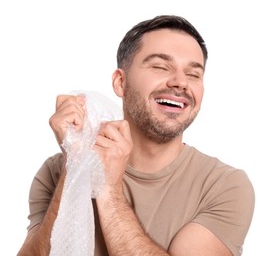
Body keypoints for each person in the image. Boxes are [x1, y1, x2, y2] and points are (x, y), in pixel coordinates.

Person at [17, 15, 255, 256]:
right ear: (121, 82)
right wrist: (76, 165)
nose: (181, 82)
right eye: (161, 67)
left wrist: (108, 189)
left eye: (194, 74)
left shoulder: (224, 186)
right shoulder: (55, 171)